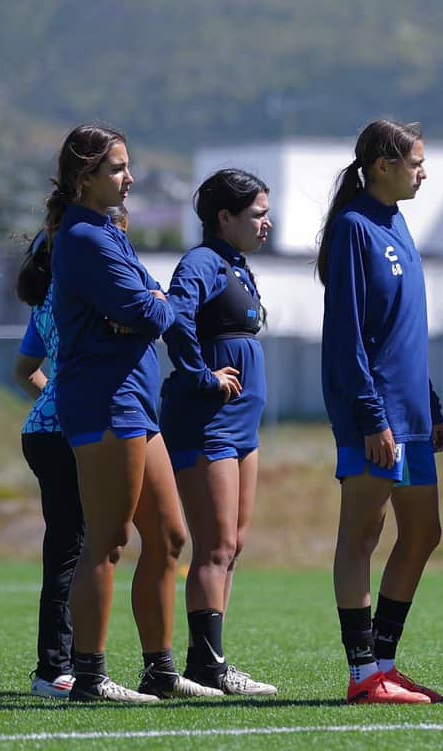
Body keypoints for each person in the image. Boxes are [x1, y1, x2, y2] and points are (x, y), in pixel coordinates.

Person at [47, 123, 211, 703]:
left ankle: (160, 671)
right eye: (117, 168)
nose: (129, 177)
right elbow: (146, 310)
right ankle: (89, 677)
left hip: (137, 402)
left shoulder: (107, 232)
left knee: (168, 537)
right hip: (104, 400)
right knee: (108, 540)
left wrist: (150, 307)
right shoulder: (85, 237)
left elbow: (145, 310)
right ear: (83, 176)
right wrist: (153, 306)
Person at [319, 119, 443, 705]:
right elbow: (347, 336)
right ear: (381, 166)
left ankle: (386, 665)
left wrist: (432, 404)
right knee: (362, 534)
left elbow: (401, 332)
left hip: (412, 414)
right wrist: (373, 418)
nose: (424, 171)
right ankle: (362, 675)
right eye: (415, 161)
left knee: (423, 532)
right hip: (374, 415)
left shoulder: (398, 223)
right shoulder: (353, 228)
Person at [163, 169, 279, 697]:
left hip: (242, 425)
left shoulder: (237, 265)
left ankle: (211, 662)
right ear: (224, 218)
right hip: (205, 420)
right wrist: (201, 375)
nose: (266, 224)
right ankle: (206, 668)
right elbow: (175, 317)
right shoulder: (202, 262)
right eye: (256, 214)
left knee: (234, 545)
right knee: (214, 545)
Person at [12, 228, 81, 700]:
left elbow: (24, 370)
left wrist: (51, 399)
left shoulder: (50, 297)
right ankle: (54, 667)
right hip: (62, 436)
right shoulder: (75, 294)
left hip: (45, 429)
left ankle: (65, 662)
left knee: (73, 548)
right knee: (71, 551)